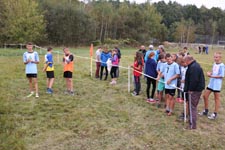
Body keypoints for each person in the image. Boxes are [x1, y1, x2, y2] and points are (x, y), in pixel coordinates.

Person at [199, 52, 224, 120]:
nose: (215, 58)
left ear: (220, 58)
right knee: (205, 96)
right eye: (214, 57)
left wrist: (212, 76)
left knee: (216, 98)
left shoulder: (222, 65)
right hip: (211, 83)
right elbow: (214, 71)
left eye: (217, 57)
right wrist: (210, 73)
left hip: (217, 85)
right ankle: (206, 110)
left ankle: (215, 113)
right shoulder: (214, 64)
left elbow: (221, 76)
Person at [184, 55, 205, 130]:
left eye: (185, 61)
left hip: (194, 91)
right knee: (192, 106)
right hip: (196, 89)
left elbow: (194, 80)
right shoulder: (194, 66)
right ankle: (192, 121)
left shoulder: (193, 67)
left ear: (188, 60)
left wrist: (191, 89)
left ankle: (192, 125)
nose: (185, 63)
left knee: (192, 107)